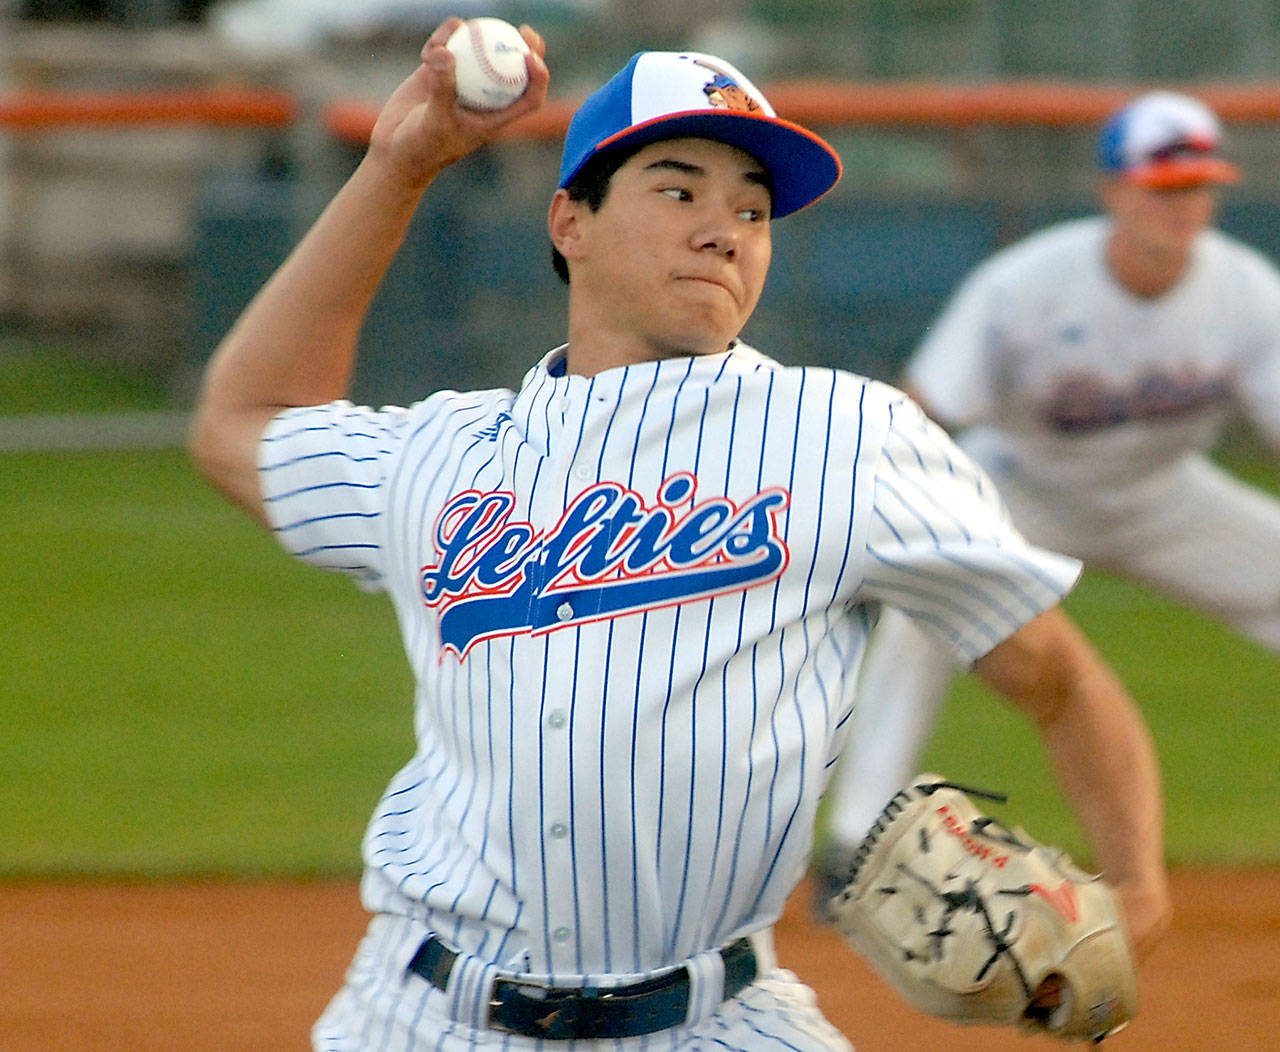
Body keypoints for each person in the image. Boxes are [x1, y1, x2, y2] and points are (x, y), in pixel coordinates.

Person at [188, 20, 1169, 1050]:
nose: (724, 228)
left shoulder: (845, 437)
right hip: (422, 1013)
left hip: (716, 1018)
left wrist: (1141, 888)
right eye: (678, 189)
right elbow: (239, 423)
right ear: (570, 220)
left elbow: (1054, 673)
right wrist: (399, 164)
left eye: (752, 208)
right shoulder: (444, 453)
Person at [816, 89, 1280, 896]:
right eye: (1161, 187)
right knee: (923, 612)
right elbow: (922, 412)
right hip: (1018, 488)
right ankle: (854, 845)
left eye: (1197, 186)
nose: (1182, 206)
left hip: (1162, 493)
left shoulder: (1245, 291)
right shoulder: (1024, 286)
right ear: (1113, 193)